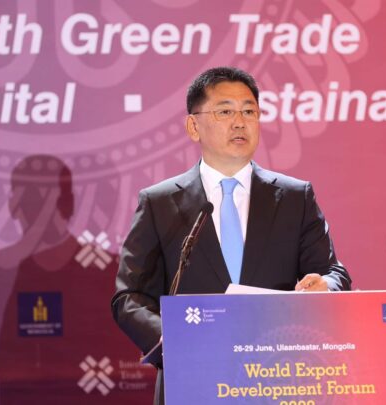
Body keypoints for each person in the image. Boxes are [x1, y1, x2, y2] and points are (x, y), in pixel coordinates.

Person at [111, 66, 351, 404]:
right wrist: (174, 340)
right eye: (225, 112)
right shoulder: (159, 203)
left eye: (249, 111)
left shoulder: (295, 198)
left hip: (276, 377)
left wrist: (326, 285)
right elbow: (129, 296)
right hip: (192, 377)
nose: (240, 122)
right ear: (193, 126)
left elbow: (333, 273)